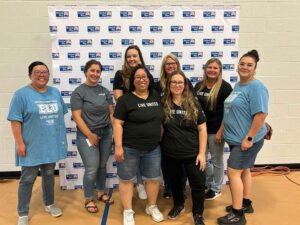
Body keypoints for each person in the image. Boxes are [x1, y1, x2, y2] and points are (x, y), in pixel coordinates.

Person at [7, 61, 68, 225]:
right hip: (31, 146)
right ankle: (23, 213)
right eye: (37, 72)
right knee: (27, 179)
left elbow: (60, 117)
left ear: (49, 75)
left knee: (48, 176)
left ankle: (49, 204)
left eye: (45, 72)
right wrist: (20, 143)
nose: (41, 75)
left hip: (50, 145)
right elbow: (15, 121)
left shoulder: (55, 92)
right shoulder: (21, 94)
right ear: (30, 75)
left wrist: (59, 140)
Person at [217, 50, 269, 225]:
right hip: (235, 138)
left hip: (246, 141)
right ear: (237, 66)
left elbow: (261, 114)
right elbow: (230, 111)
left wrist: (249, 138)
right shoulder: (239, 86)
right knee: (245, 170)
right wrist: (221, 130)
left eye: (249, 65)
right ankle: (246, 203)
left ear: (255, 69)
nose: (244, 67)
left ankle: (237, 214)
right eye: (242, 64)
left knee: (233, 172)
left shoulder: (257, 87)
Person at [113, 64, 164, 225]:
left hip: (153, 148)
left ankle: (151, 206)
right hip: (129, 148)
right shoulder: (125, 100)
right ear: (132, 81)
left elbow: (161, 120)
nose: (142, 80)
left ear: (149, 79)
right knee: (127, 180)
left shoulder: (156, 96)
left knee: (153, 179)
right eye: (138, 77)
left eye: (144, 77)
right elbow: (117, 124)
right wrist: (119, 146)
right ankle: (128, 211)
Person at [162, 70, 207, 225]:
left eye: (180, 82)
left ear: (185, 85)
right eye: (173, 82)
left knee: (198, 185)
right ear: (169, 84)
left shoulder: (193, 103)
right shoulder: (163, 103)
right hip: (171, 154)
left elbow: (202, 129)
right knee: (175, 183)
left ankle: (198, 213)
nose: (177, 85)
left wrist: (202, 153)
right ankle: (178, 205)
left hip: (193, 154)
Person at [71, 60, 114, 213]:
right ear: (86, 72)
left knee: (102, 166)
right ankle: (88, 198)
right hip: (86, 135)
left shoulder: (105, 91)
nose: (95, 74)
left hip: (106, 133)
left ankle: (101, 192)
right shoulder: (78, 92)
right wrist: (90, 135)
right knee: (91, 169)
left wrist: (114, 131)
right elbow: (76, 117)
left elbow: (111, 113)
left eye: (98, 71)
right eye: (92, 71)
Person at [113, 45, 153, 200]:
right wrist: (133, 105)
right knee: (131, 151)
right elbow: (118, 97)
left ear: (139, 57)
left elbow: (151, 94)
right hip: (127, 118)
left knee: (145, 152)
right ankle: (138, 184)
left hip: (144, 119)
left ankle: (142, 182)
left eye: (134, 56)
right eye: (128, 56)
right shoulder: (120, 74)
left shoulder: (145, 73)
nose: (131, 59)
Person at [154, 53, 192, 199]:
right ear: (164, 67)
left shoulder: (185, 81)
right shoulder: (157, 86)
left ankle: (181, 188)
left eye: (173, 63)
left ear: (177, 66)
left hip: (182, 130)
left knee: (181, 164)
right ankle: (168, 186)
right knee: (165, 161)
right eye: (167, 64)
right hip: (164, 130)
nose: (170, 66)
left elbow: (191, 103)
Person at [194, 58, 232, 200]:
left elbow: (228, 113)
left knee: (216, 161)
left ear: (220, 70)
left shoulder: (225, 87)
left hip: (216, 131)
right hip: (200, 130)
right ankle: (209, 182)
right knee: (201, 158)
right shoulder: (199, 86)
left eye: (215, 68)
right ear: (205, 69)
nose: (212, 70)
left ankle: (216, 188)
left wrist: (221, 131)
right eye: (209, 67)